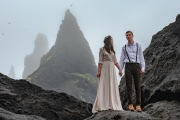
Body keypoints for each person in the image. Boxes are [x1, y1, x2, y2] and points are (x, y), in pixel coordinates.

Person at [92, 35, 123, 113]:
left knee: (111, 84)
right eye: (111, 39)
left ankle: (111, 103)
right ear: (107, 41)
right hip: (105, 68)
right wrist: (99, 71)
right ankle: (103, 104)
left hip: (111, 69)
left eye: (112, 39)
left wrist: (120, 69)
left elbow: (115, 62)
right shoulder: (102, 50)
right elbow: (100, 62)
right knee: (104, 84)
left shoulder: (112, 51)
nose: (112, 41)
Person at [119, 31, 145, 112]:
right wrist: (120, 69)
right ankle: (130, 104)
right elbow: (122, 59)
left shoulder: (138, 45)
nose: (128, 36)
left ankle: (138, 105)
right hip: (128, 66)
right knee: (128, 86)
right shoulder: (124, 47)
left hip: (137, 66)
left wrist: (143, 68)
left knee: (137, 86)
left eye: (129, 35)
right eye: (126, 35)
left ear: (133, 36)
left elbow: (141, 57)